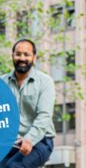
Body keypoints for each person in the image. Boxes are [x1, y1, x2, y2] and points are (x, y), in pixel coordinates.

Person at [0, 39, 55, 168]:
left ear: (34, 57)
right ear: (12, 56)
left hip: (40, 141)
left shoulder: (45, 82)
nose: (22, 58)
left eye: (26, 54)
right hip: (10, 143)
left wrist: (29, 140)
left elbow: (44, 116)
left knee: (14, 167)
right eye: (18, 54)